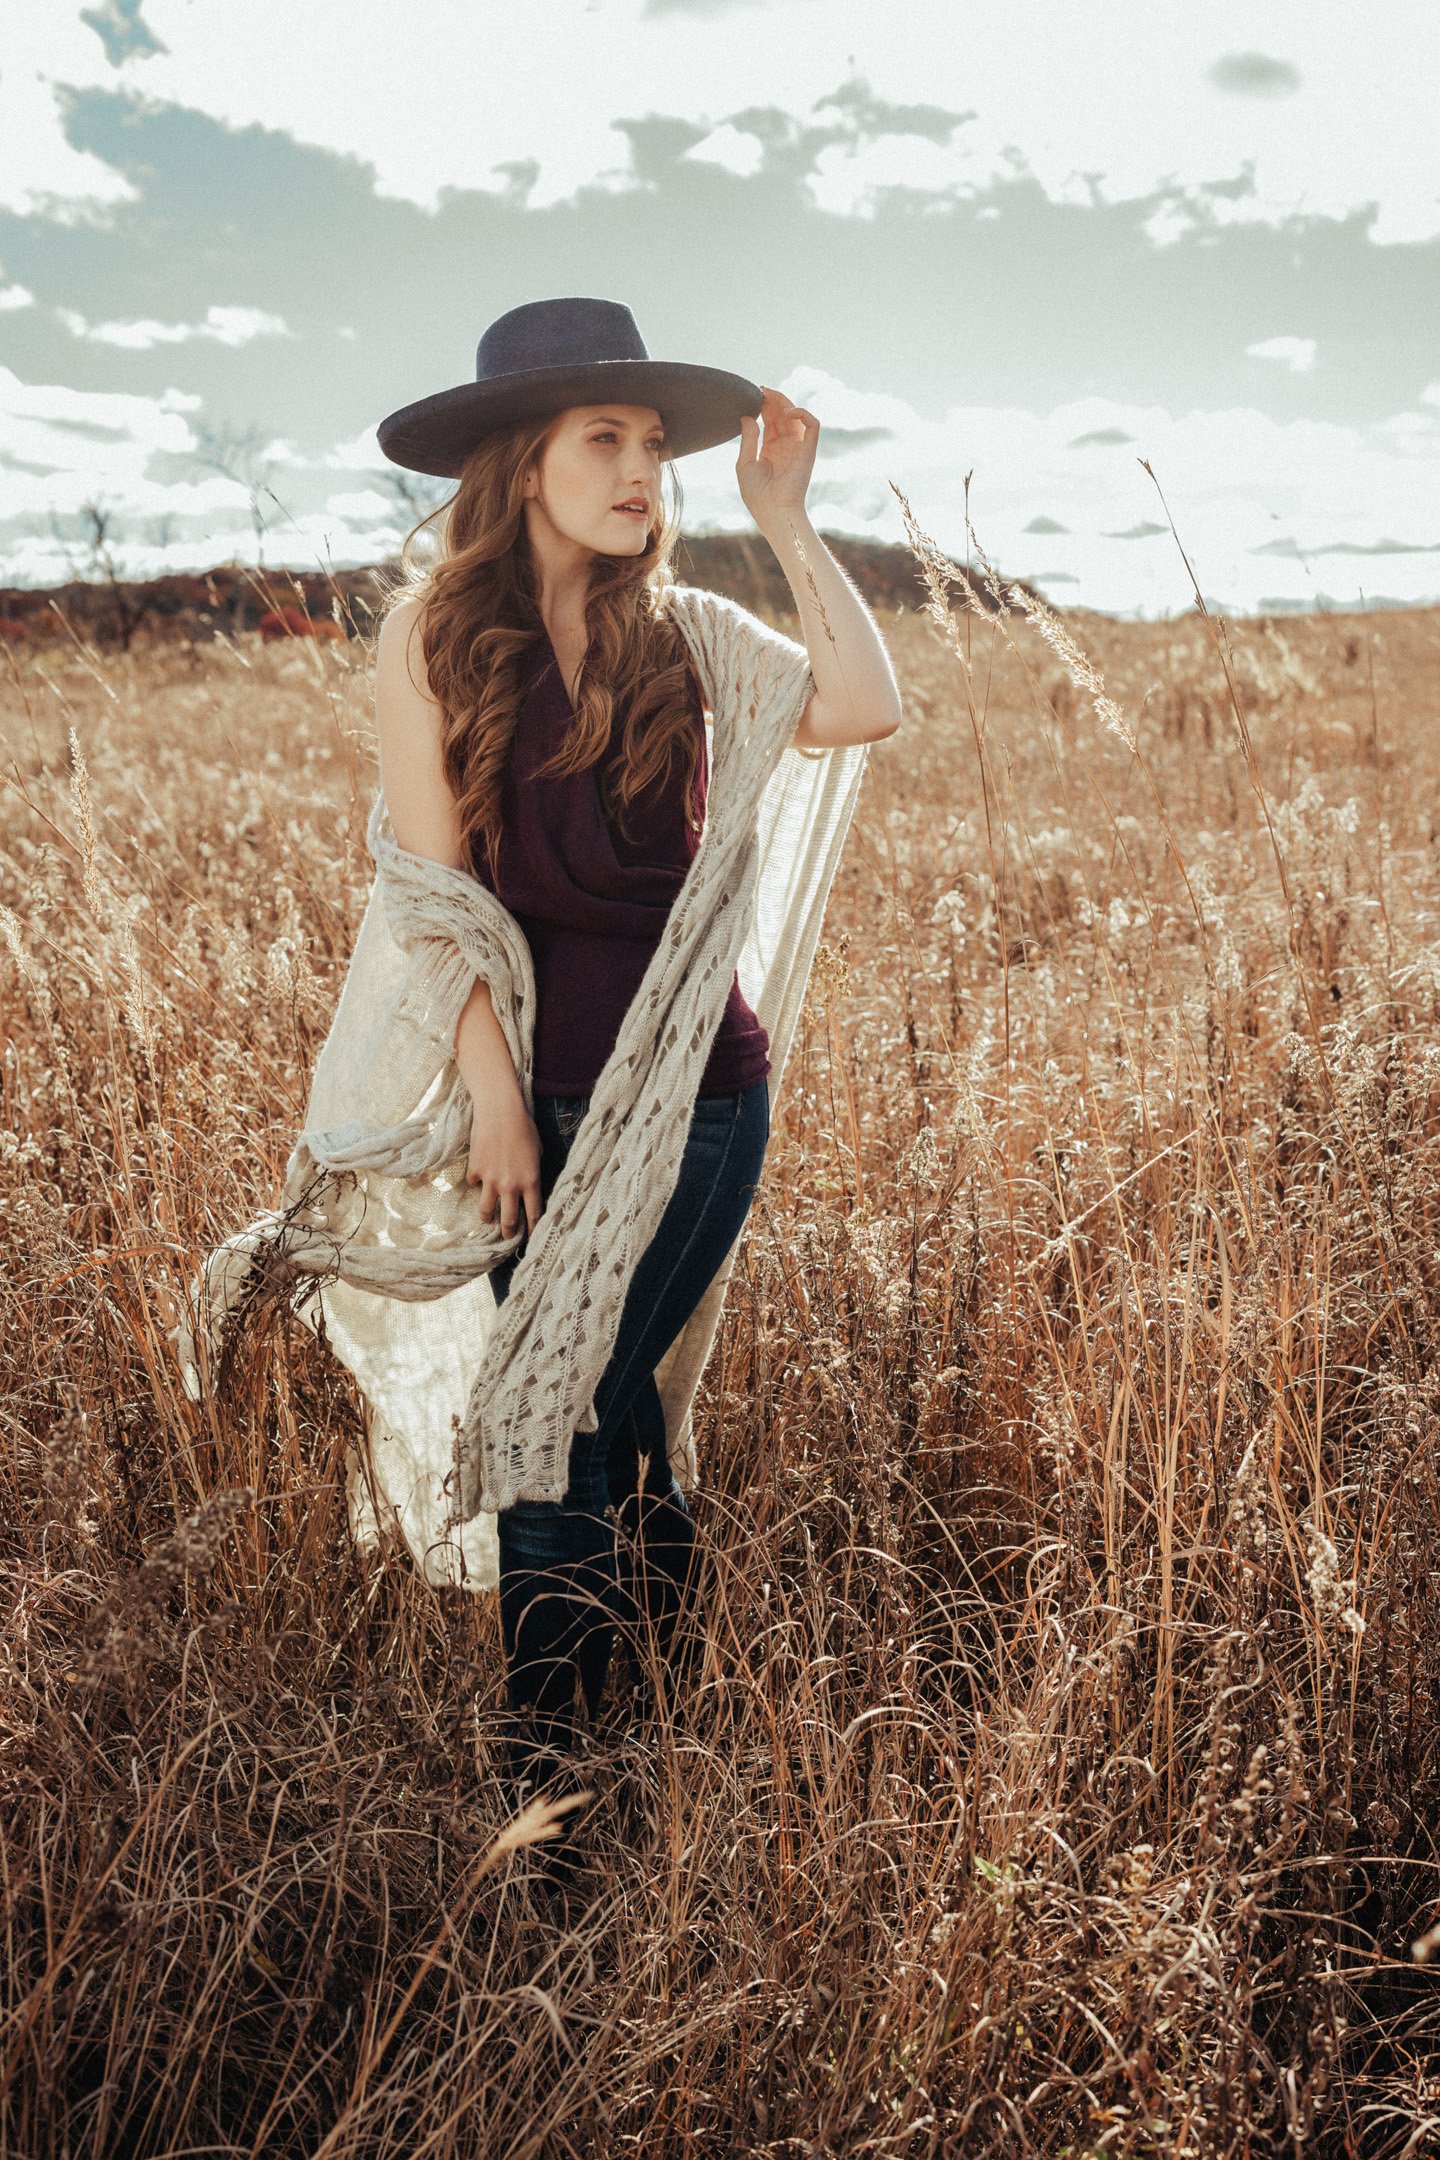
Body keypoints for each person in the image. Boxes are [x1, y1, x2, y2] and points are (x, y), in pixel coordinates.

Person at [369, 296, 902, 1839]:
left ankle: (543, 1800)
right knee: (612, 1419)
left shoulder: (692, 638)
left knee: (558, 1421)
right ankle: (668, 1668)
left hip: (697, 1099)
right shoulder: (437, 639)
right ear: (521, 459)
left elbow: (864, 706)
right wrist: (488, 1097)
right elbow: (433, 893)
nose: (640, 468)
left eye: (655, 444)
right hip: (530, 1101)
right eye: (605, 438)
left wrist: (786, 522)